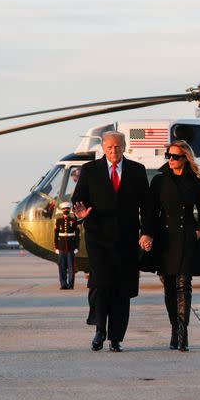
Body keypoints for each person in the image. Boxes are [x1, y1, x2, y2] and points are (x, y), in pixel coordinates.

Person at [72, 131, 149, 353]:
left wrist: (146, 232)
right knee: (100, 285)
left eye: (117, 147)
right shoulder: (90, 170)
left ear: (124, 147)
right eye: (109, 147)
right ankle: (99, 329)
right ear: (103, 148)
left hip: (127, 239)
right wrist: (81, 214)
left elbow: (147, 206)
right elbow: (77, 200)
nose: (113, 151)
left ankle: (116, 337)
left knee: (122, 290)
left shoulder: (136, 171)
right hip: (98, 238)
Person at [140, 140, 200, 352]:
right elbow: (149, 211)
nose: (171, 160)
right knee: (169, 287)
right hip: (164, 238)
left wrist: (199, 229)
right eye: (169, 155)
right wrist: (146, 233)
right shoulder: (159, 181)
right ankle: (175, 328)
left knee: (183, 284)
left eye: (175, 156)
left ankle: (183, 334)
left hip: (186, 236)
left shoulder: (195, 181)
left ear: (185, 158)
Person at [54, 202, 80, 290]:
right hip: (61, 247)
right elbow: (56, 235)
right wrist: (56, 247)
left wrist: (76, 247)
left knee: (71, 267)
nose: (65, 211)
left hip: (71, 247)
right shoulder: (58, 221)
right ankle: (63, 284)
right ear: (62, 211)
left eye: (67, 209)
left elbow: (77, 235)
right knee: (62, 267)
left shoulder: (73, 221)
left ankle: (71, 284)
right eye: (64, 209)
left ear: (69, 210)